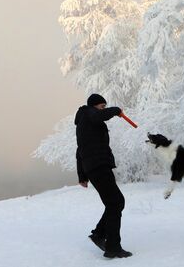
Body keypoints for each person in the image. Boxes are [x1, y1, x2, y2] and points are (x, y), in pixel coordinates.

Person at [74, 93, 132, 259]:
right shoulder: (88, 113)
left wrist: (82, 175)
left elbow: (80, 151)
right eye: (102, 106)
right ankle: (112, 246)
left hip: (96, 166)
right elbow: (99, 116)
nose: (103, 109)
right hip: (98, 166)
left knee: (114, 203)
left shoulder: (85, 122)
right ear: (94, 106)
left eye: (105, 107)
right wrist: (115, 110)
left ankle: (100, 234)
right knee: (116, 202)